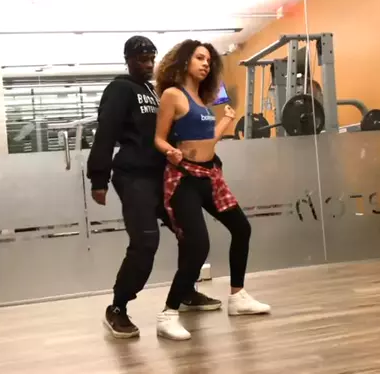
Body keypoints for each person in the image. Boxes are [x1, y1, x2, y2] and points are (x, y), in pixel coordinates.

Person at [87, 35, 221, 340]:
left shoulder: (154, 91)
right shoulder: (120, 89)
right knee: (146, 241)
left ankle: (185, 292)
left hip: (165, 175)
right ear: (128, 60)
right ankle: (117, 307)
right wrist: (99, 178)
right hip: (134, 177)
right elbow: (106, 132)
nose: (148, 65)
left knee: (193, 236)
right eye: (141, 60)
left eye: (151, 59)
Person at [153, 39, 271, 340]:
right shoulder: (173, 95)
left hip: (209, 176)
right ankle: (168, 314)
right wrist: (170, 151)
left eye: (208, 60)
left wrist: (227, 120)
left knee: (241, 228)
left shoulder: (202, 100)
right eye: (199, 58)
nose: (206, 64)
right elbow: (159, 138)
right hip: (184, 179)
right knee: (198, 246)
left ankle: (237, 297)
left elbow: (208, 141)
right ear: (184, 61)